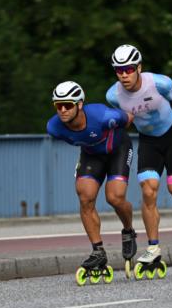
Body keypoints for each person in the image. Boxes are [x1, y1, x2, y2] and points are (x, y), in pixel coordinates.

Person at [106, 44, 172, 276]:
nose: (124, 75)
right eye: (119, 70)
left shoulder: (161, 83)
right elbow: (124, 115)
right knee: (148, 190)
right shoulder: (113, 96)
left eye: (129, 69)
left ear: (139, 68)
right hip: (149, 141)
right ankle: (153, 247)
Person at [47, 80, 137, 280]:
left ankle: (128, 231)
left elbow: (129, 118)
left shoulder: (103, 116)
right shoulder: (54, 127)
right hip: (91, 155)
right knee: (85, 197)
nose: (62, 110)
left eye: (68, 105)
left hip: (118, 149)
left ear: (79, 105)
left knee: (115, 198)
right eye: (58, 105)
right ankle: (98, 251)